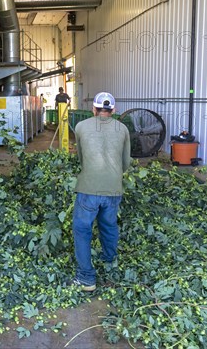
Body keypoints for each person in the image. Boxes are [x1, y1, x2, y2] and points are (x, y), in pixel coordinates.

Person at [71, 92, 131, 291]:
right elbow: (126, 163)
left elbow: (81, 158)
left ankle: (86, 278)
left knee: (82, 229)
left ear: (93, 110)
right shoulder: (122, 129)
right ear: (113, 110)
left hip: (89, 188)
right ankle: (109, 260)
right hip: (113, 188)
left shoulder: (80, 127)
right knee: (108, 224)